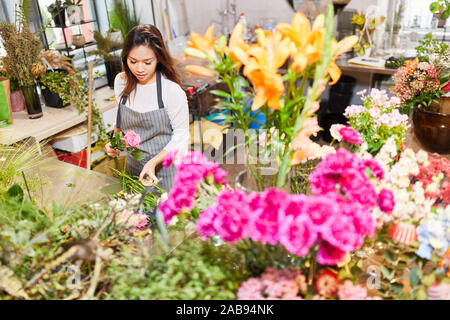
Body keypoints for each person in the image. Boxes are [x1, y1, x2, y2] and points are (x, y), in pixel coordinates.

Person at [105, 24, 189, 191]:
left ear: (158, 59)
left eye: (147, 62)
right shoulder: (121, 81)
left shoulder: (170, 90)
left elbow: (181, 136)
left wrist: (153, 162)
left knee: (161, 216)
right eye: (133, 61)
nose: (139, 69)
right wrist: (114, 142)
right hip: (133, 168)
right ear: (125, 58)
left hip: (164, 171)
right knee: (137, 216)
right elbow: (120, 118)